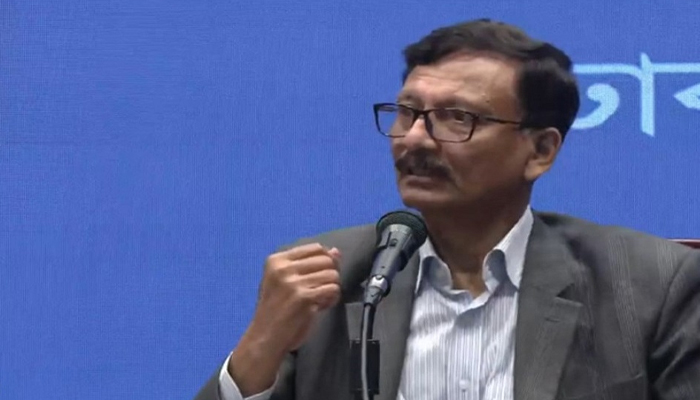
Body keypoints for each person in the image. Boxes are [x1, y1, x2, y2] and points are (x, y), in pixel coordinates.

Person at [195, 19, 700, 400]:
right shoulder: (330, 277)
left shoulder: (649, 285)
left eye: (457, 117)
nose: (414, 139)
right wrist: (260, 347)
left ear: (541, 150)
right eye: (407, 112)